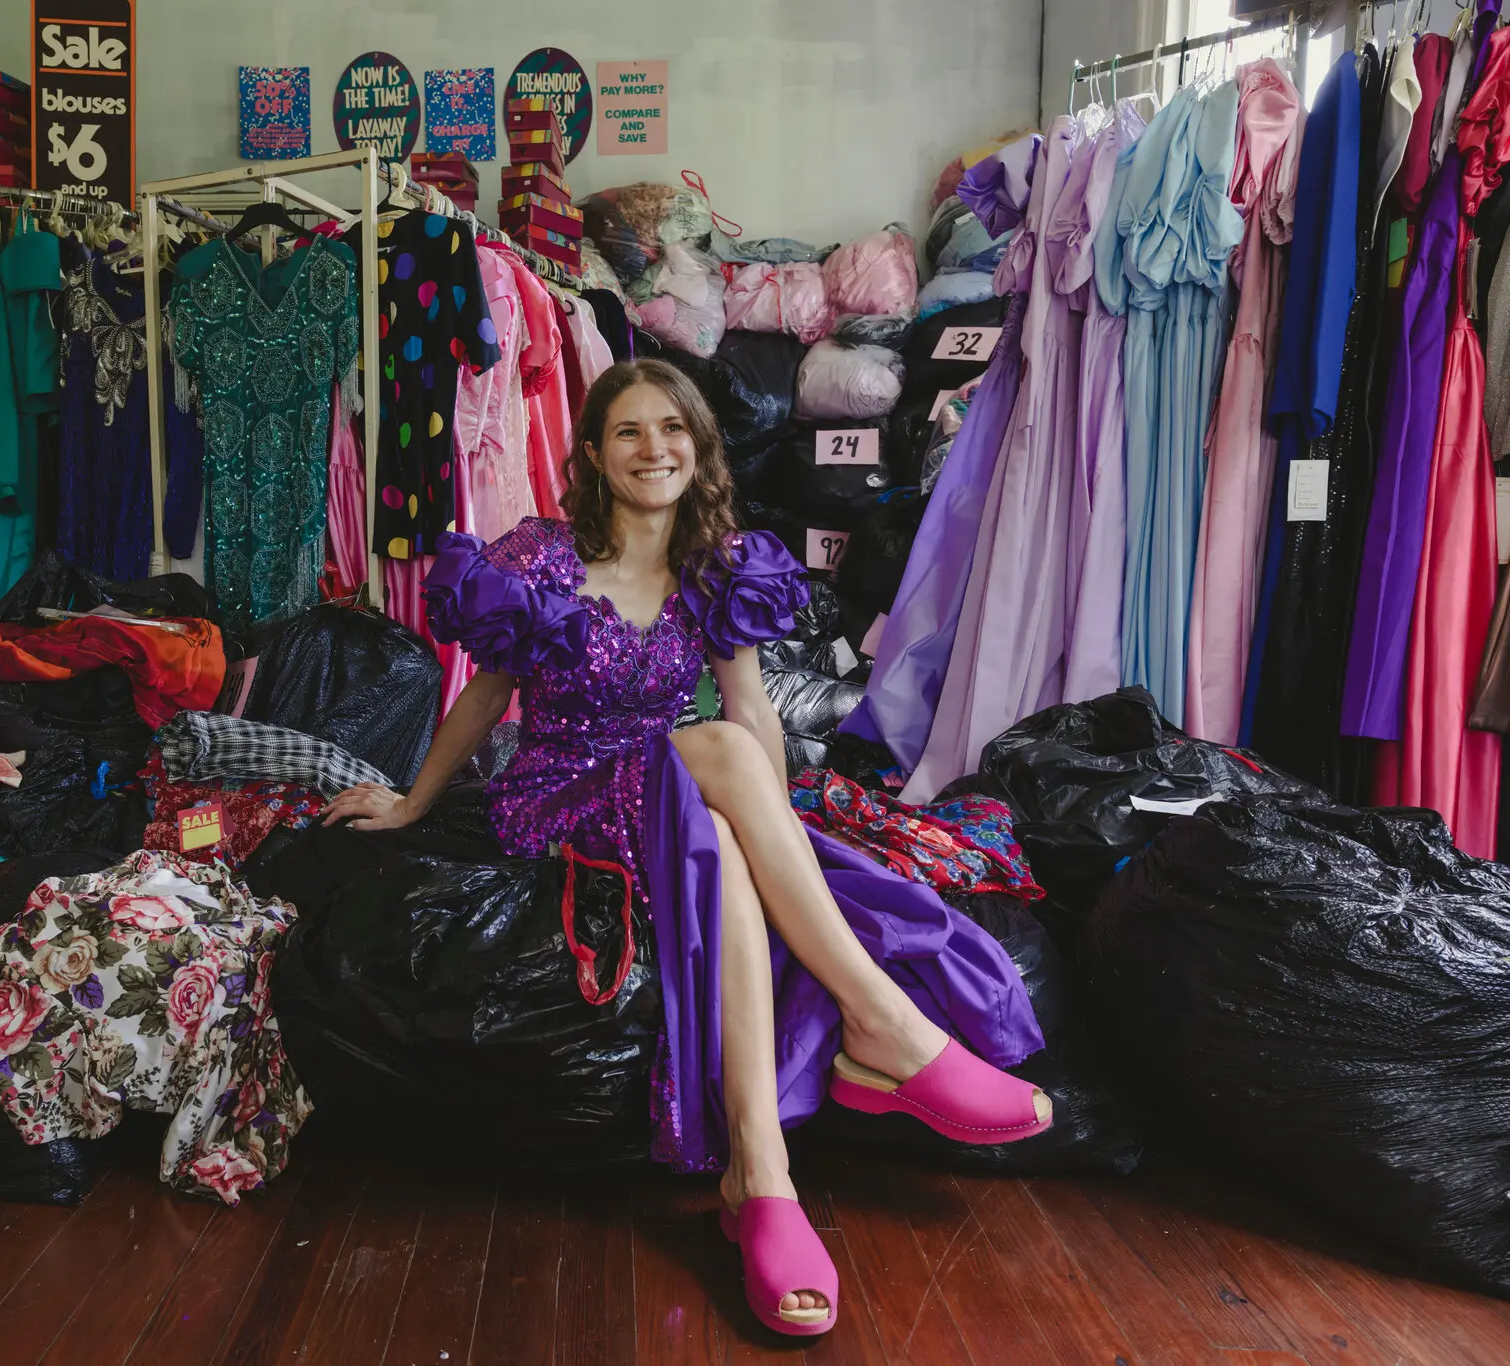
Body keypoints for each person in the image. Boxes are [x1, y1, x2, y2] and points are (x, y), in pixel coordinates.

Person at [322, 360, 1050, 1338]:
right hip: (560, 798)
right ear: (591, 452)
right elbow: (484, 697)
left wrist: (780, 829)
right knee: (713, 754)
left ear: (698, 447)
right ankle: (882, 1025)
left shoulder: (717, 567)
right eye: (628, 430)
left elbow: (754, 714)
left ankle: (761, 1177)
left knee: (722, 821)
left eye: (672, 428)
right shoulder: (540, 559)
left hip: (682, 802)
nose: (653, 447)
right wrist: (413, 804)